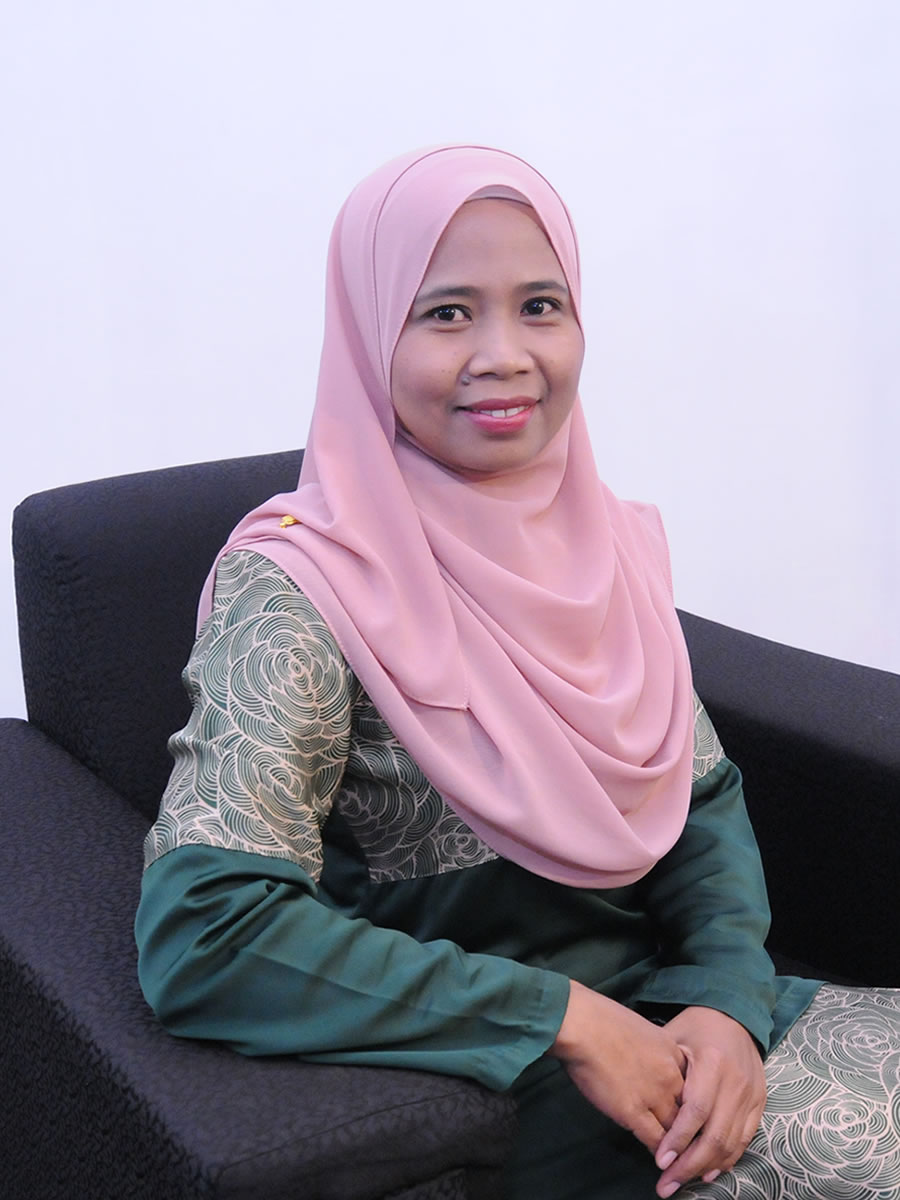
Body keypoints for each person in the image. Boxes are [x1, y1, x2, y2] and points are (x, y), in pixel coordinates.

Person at [135, 145, 900, 1199]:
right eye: (446, 313)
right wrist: (567, 1020)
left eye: (541, 306)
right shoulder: (300, 590)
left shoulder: (605, 545)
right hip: (502, 1085)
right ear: (368, 332)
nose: (503, 354)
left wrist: (724, 1001)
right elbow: (208, 933)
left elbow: (700, 802)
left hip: (690, 1034)